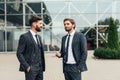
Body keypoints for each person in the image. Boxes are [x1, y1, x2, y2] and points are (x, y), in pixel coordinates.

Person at [16, 16, 45, 80]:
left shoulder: (39, 37)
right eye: (40, 23)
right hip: (31, 69)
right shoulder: (24, 37)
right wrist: (27, 66)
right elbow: (19, 53)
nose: (41, 25)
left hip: (40, 69)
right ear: (34, 24)